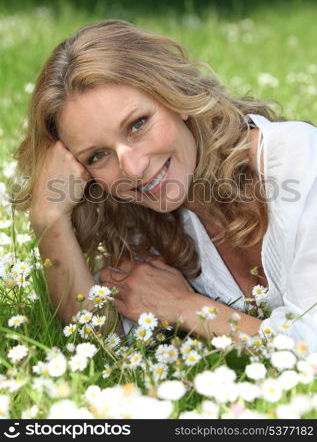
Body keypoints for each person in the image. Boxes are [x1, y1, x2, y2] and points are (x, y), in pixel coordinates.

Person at [15, 20, 317, 350]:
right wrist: (48, 218)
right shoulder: (138, 218)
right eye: (98, 155)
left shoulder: (298, 161)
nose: (133, 168)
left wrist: (184, 307)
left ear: (174, 97)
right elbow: (99, 341)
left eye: (137, 125)